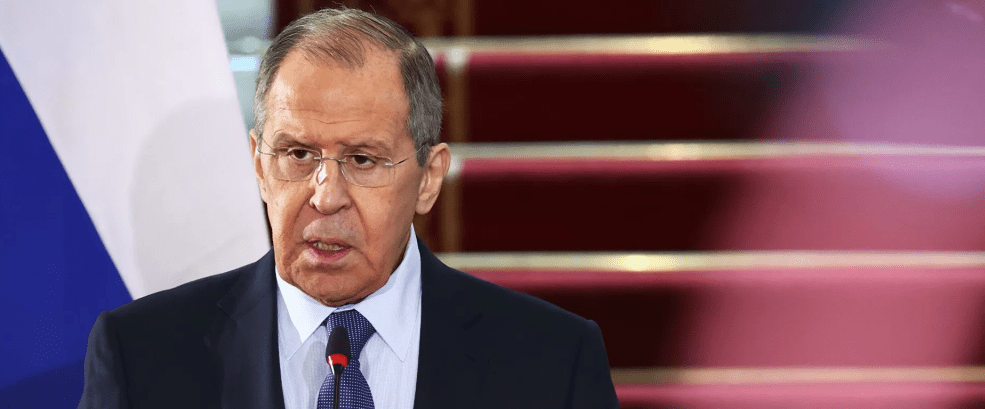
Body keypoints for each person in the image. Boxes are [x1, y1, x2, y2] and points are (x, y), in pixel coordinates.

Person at [78, 7, 619, 409]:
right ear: (259, 166)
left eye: (362, 159)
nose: (326, 195)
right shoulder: (141, 357)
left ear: (428, 179)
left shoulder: (553, 364)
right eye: (297, 154)